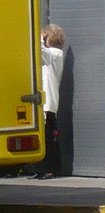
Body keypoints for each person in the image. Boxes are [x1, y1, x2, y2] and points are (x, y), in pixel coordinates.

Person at [36, 24, 65, 179]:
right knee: (45, 138)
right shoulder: (53, 54)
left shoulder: (55, 53)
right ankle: (42, 168)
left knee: (49, 138)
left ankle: (50, 169)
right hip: (45, 103)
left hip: (48, 104)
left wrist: (39, 37)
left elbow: (41, 52)